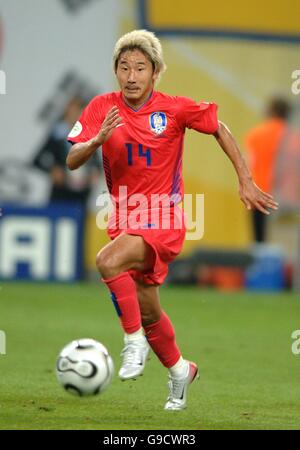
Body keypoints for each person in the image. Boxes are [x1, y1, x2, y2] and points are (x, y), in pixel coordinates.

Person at [66, 30, 278, 410]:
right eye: (124, 67)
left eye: (140, 68)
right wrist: (96, 141)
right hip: (124, 217)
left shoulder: (174, 109)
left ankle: (133, 344)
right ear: (116, 70)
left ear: (155, 72)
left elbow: (220, 128)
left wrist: (245, 179)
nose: (131, 76)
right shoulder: (101, 107)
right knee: (149, 310)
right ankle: (181, 371)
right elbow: (72, 159)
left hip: (164, 216)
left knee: (107, 260)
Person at [33, 96, 101, 211]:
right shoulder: (57, 134)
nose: (76, 114)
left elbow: (97, 162)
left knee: (78, 225)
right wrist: (52, 170)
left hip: (81, 195)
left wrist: (95, 172)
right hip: (60, 194)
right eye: (74, 110)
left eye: (80, 111)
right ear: (67, 111)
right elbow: (37, 160)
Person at [244, 97, 290, 242]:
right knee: (284, 244)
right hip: (285, 197)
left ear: (270, 111)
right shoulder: (294, 137)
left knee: (260, 242)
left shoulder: (255, 134)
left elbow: (247, 165)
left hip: (259, 196)